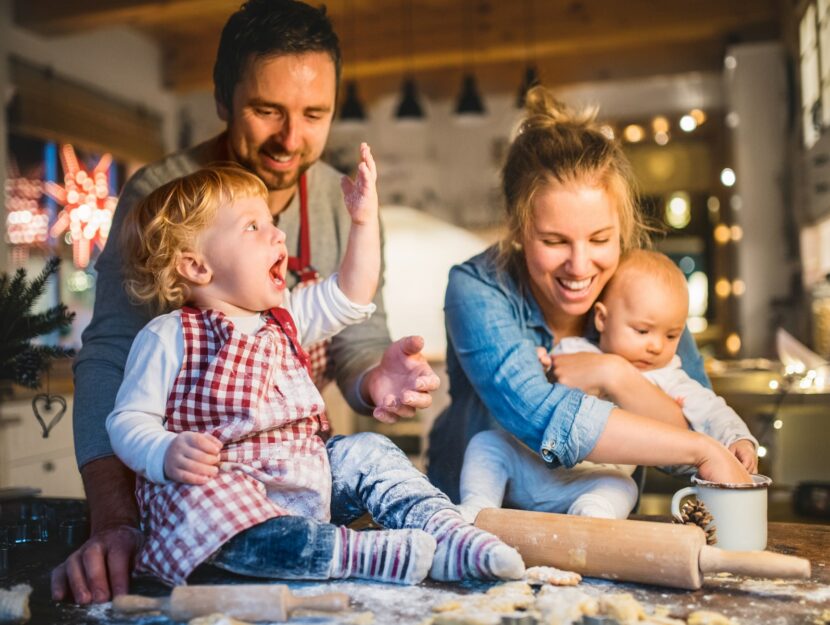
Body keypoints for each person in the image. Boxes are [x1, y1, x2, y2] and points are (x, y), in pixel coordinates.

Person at [53, 0, 439, 603]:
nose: (292, 139)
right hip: (201, 483)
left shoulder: (344, 206)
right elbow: (109, 357)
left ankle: (441, 533)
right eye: (266, 111)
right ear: (221, 101)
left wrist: (378, 379)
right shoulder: (162, 198)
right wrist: (115, 521)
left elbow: (355, 339)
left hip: (293, 471)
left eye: (315, 114)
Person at [103, 160, 523, 586]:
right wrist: (163, 453)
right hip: (226, 491)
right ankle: (361, 555)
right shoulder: (168, 335)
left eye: (272, 222)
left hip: (306, 478)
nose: (277, 234)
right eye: (253, 227)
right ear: (196, 267)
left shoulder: (286, 316)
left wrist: (361, 222)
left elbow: (350, 292)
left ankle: (450, 533)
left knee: (368, 451)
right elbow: (128, 420)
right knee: (197, 509)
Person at [427, 86, 752, 505]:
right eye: (554, 240)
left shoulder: (643, 287)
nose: (580, 266)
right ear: (519, 232)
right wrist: (701, 448)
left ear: (623, 231)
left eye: (600, 239)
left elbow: (694, 421)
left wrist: (612, 372)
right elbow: (540, 415)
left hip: (596, 519)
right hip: (479, 523)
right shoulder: (477, 287)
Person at [457, 249, 759, 523]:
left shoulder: (671, 379)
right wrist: (538, 364)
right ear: (602, 319)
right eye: (642, 330)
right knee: (487, 444)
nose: (655, 346)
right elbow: (537, 398)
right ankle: (477, 510)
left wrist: (739, 439)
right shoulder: (575, 350)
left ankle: (590, 520)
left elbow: (712, 412)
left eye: (671, 336)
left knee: (622, 486)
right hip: (529, 473)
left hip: (591, 482)